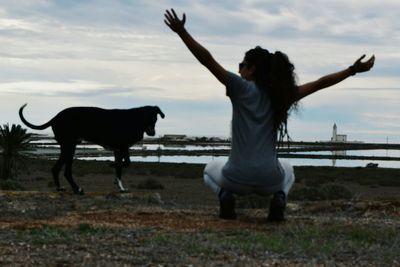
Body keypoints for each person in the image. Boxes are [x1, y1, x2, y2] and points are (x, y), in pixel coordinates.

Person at [164, 9, 375, 221]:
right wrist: (352, 70)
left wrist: (182, 32)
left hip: (235, 178)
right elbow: (321, 83)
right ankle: (280, 198)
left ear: (252, 69)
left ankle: (225, 196)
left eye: (242, 65)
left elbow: (207, 60)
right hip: (269, 180)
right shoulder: (282, 95)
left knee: (209, 169)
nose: (238, 70)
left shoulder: (239, 87)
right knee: (289, 169)